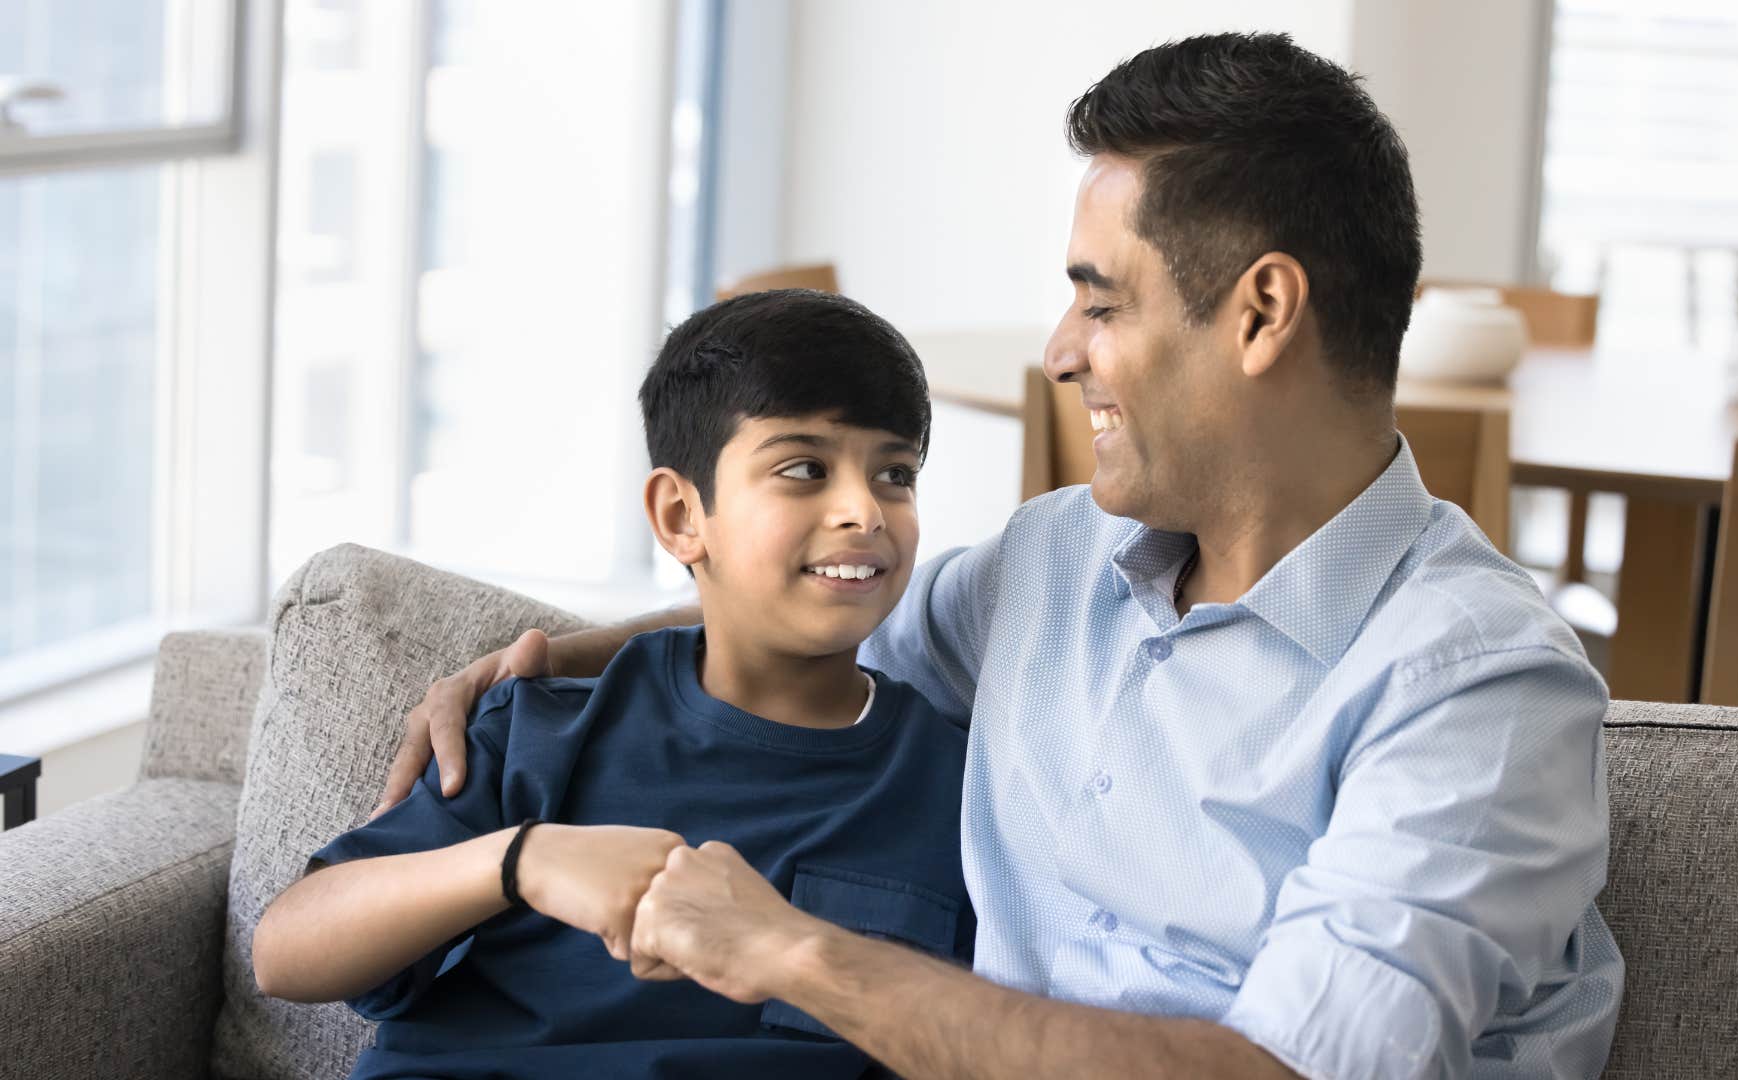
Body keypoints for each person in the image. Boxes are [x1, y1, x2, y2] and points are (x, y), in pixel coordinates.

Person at [380, 31, 1625, 1079]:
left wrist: (792, 952)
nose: (1060, 351)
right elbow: (809, 619)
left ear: (1260, 313)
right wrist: (541, 660)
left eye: (1102, 301)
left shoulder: (1478, 687)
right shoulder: (1056, 561)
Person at [254, 289, 974, 1079]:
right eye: (803, 469)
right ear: (679, 515)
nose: (864, 511)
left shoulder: (960, 788)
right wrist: (521, 861)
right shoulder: (544, 730)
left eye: (896, 473)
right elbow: (285, 954)